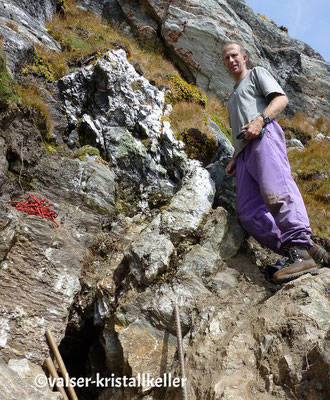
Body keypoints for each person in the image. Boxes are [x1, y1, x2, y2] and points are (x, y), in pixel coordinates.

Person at [222, 42, 324, 283]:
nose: (231, 61)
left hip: (264, 135)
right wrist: (236, 157)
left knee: (276, 192)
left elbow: (281, 99)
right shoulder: (232, 97)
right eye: (226, 58)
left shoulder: (256, 74)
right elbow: (240, 126)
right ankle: (298, 251)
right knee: (248, 213)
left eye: (234, 55)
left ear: (244, 57)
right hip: (245, 153)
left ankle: (299, 243)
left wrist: (261, 120)